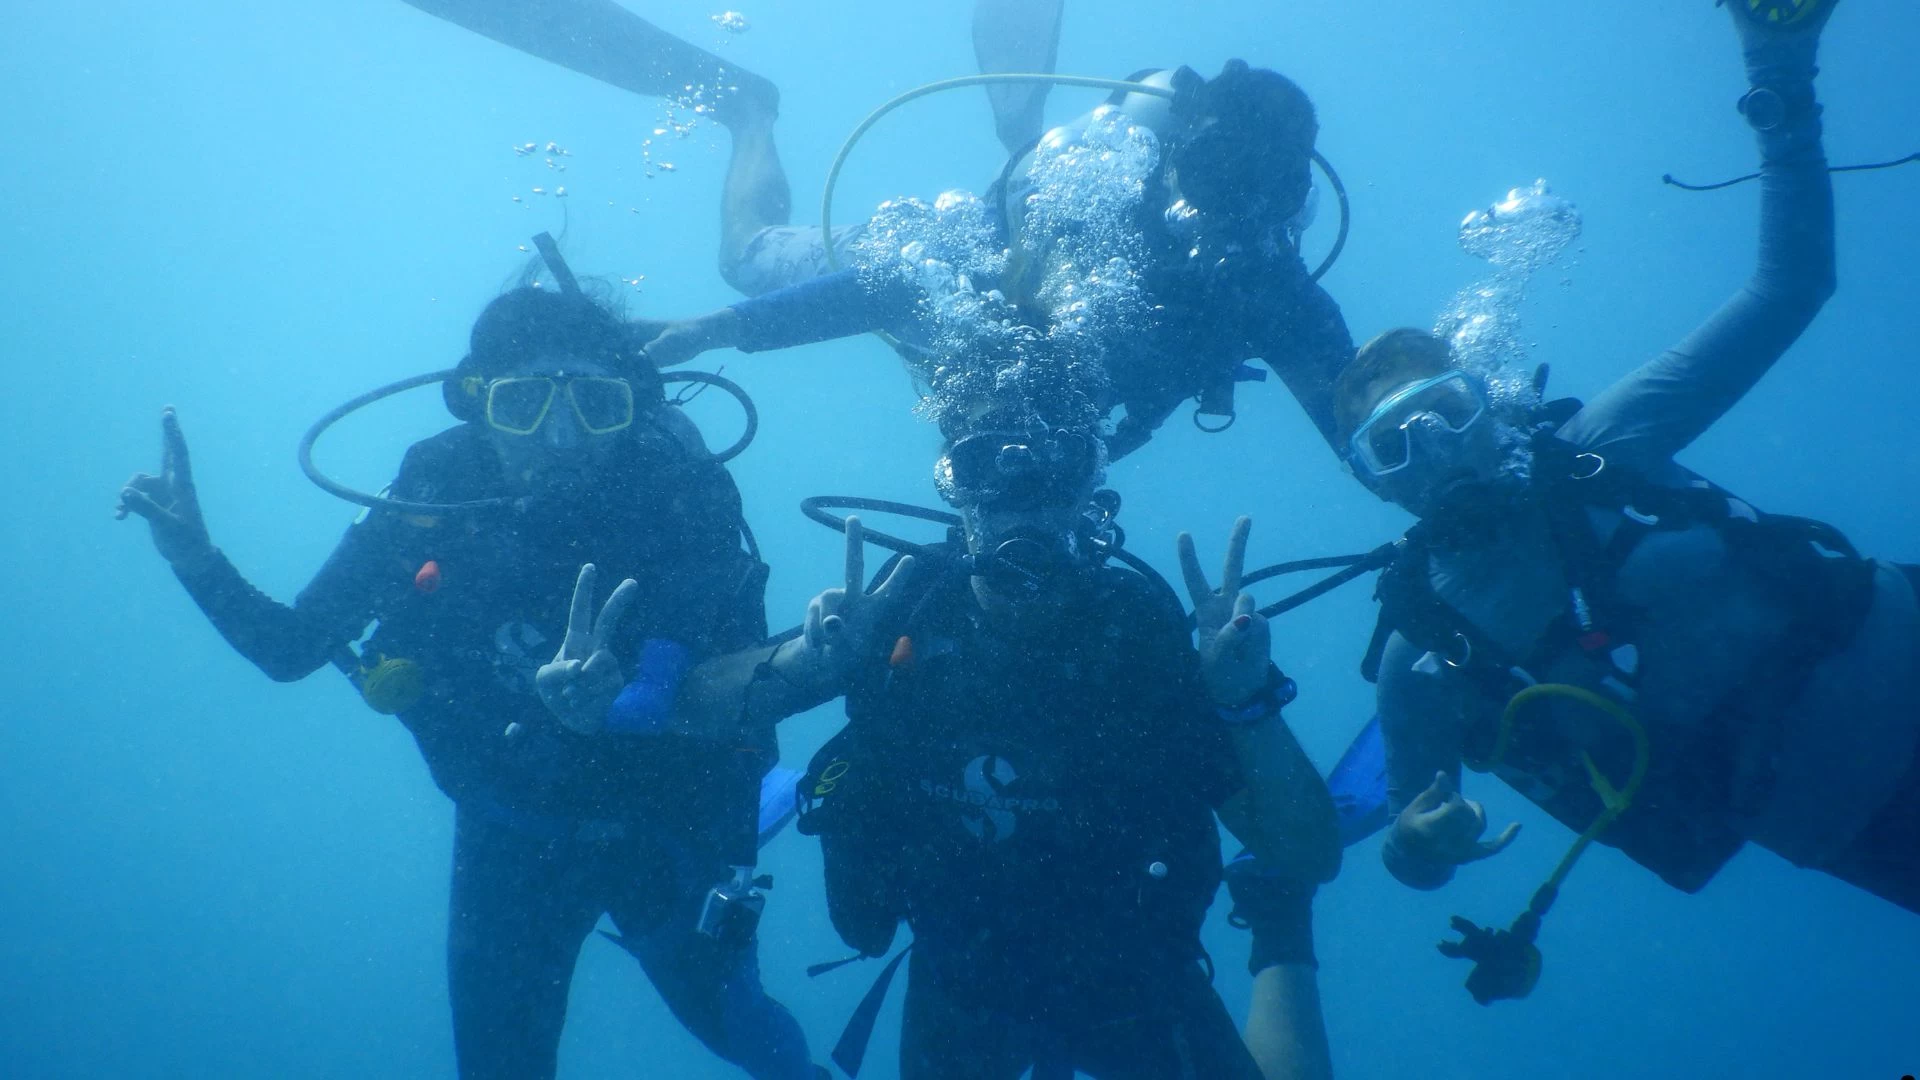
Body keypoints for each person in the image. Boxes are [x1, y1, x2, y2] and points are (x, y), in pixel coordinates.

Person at [1331, 0, 1919, 996]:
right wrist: (1422, 845)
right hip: (1865, 827)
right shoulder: (1423, 653)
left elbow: (1789, 287)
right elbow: (1409, 836)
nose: (1437, 455)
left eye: (1451, 413)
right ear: (1374, 484)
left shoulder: (1606, 445)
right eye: (1395, 449)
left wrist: (1779, 69)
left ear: (1493, 407)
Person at [117, 283, 822, 1079]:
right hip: (511, 828)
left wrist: (626, 706)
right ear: (478, 404)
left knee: (743, 1036)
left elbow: (725, 682)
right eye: (523, 404)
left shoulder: (677, 490)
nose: (560, 436)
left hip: (665, 821)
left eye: (595, 403)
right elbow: (290, 649)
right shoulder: (433, 490)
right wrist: (196, 561)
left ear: (632, 406)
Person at [676, 409, 1342, 1078]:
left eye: (1057, 474)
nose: (1022, 502)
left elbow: (1308, 853)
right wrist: (804, 663)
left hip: (1132, 972)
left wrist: (1244, 702)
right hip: (960, 976)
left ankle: (1280, 930)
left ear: (1091, 496)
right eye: (983, 469)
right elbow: (696, 705)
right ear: (954, 491)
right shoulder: (898, 612)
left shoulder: (1138, 636)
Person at [636, 58, 1356, 463]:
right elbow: (890, 286)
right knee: (748, 260)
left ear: (1294, 189)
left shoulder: (1269, 287)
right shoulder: (1081, 200)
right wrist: (721, 326)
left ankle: (1021, 121)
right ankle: (749, 115)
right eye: (1218, 167)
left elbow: (1361, 426)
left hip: (1030, 401)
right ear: (1174, 153)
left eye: (1267, 183)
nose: (1235, 201)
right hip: (958, 264)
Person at [398, 0, 1068, 295]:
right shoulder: (964, 271)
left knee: (750, 264)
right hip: (974, 260)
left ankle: (1026, 150)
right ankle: (746, 112)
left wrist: (731, 329)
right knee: (749, 260)